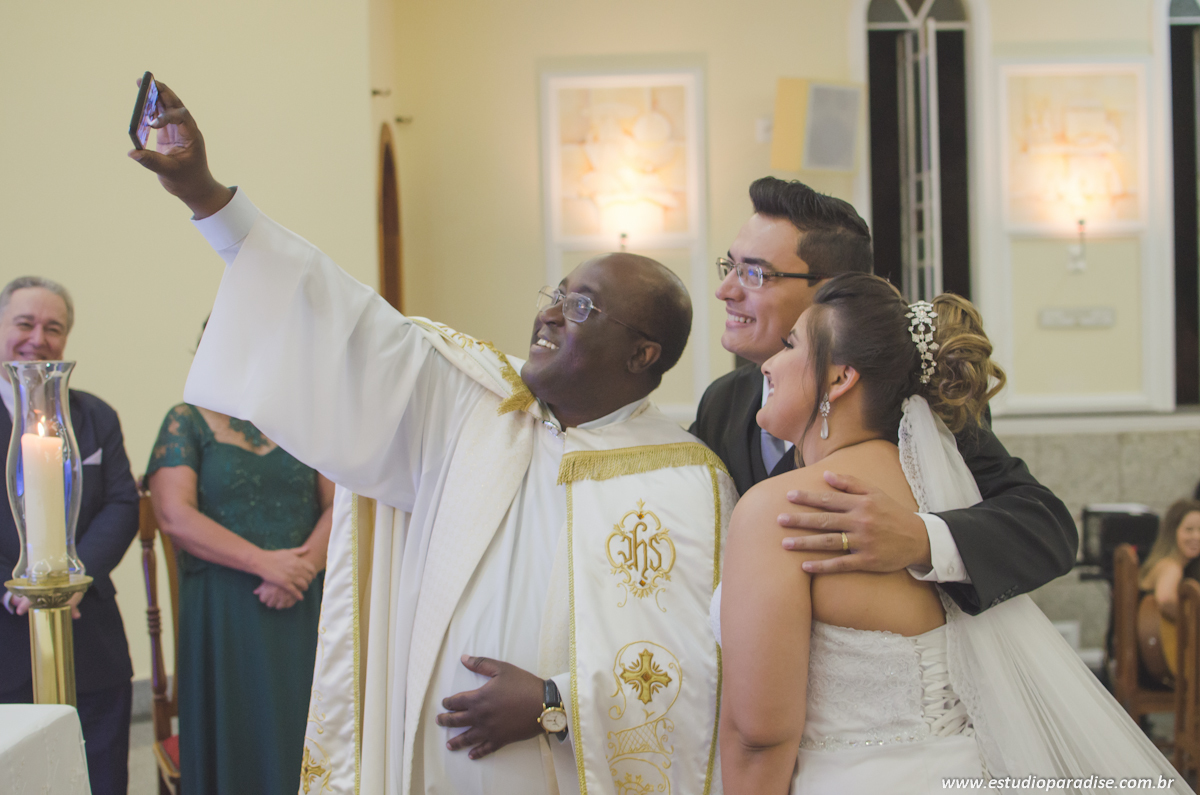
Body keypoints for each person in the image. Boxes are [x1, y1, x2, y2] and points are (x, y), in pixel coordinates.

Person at [130, 79, 733, 795]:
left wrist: (555, 703)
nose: (549, 315)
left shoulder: (683, 479)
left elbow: (697, 668)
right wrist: (205, 195)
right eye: (556, 294)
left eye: (581, 306)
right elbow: (335, 315)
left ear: (643, 355)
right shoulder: (467, 404)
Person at [715, 273, 1189, 794]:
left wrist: (922, 540)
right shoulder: (939, 482)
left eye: (790, 345)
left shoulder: (786, 508)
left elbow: (759, 736)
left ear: (840, 377)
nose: (768, 364)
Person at [691, 177, 1076, 615]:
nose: (726, 290)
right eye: (730, 267)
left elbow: (1046, 528)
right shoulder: (722, 402)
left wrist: (920, 539)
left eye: (755, 273)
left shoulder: (909, 399)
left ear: (833, 290)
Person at [145, 384, 334, 795]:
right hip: (223, 610)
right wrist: (265, 564)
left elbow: (341, 505)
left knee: (307, 723)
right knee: (237, 726)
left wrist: (301, 569)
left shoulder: (305, 422)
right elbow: (175, 515)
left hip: (304, 603)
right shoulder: (186, 421)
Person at [0, 276, 140, 795]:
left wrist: (74, 575)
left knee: (100, 770)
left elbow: (123, 504)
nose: (38, 338)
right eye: (25, 323)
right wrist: (16, 589)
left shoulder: (95, 416)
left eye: (53, 328)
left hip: (91, 632)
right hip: (5, 637)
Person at [1136, 499, 1200, 684]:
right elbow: (1165, 600)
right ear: (1172, 533)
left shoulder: (1163, 563)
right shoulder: (1171, 567)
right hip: (1156, 663)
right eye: (1189, 530)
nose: (1196, 536)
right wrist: (1194, 621)